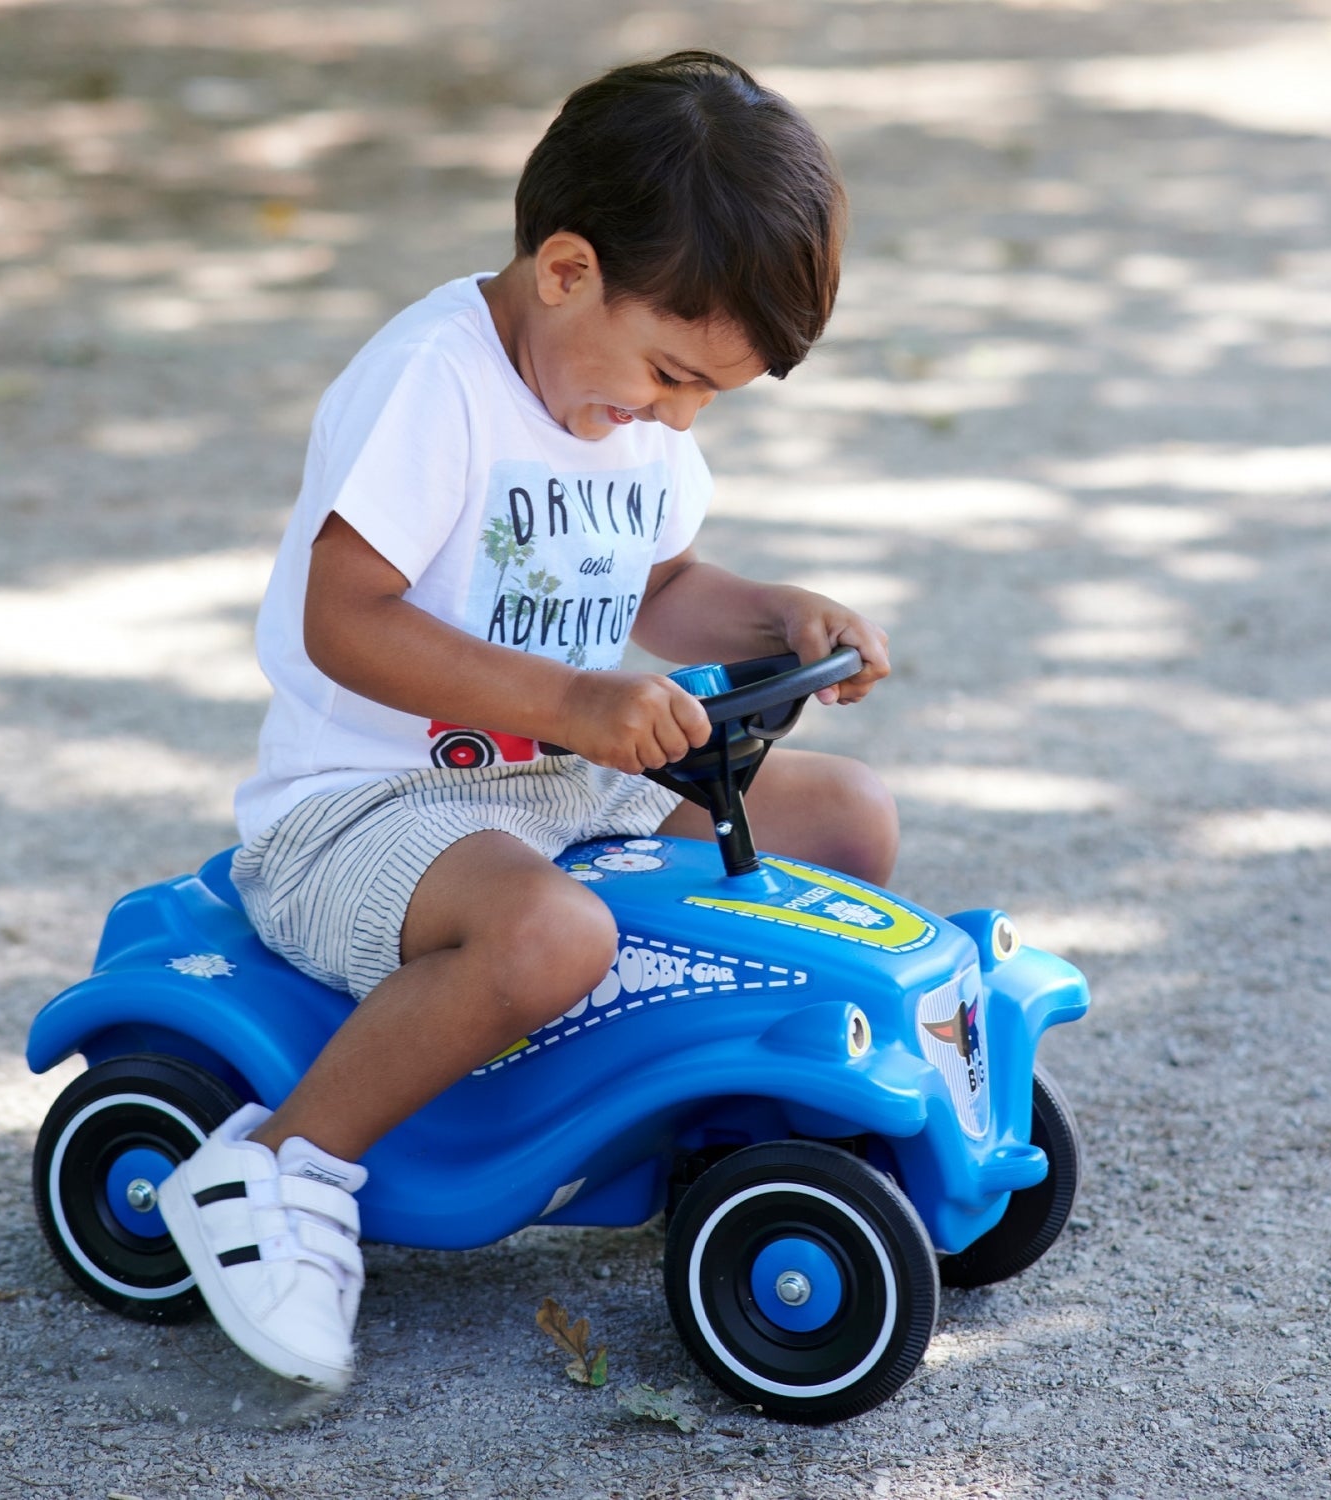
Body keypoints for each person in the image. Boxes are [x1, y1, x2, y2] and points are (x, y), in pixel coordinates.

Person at [158, 50, 899, 1397]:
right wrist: (571, 700)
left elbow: (661, 586)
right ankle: (275, 1173)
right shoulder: (435, 382)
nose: (675, 418)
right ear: (567, 271)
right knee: (553, 928)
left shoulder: (624, 413)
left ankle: (722, 1113)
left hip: (557, 791)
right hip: (368, 805)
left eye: (707, 399)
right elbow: (345, 618)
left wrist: (777, 618)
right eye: (671, 374)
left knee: (845, 820)